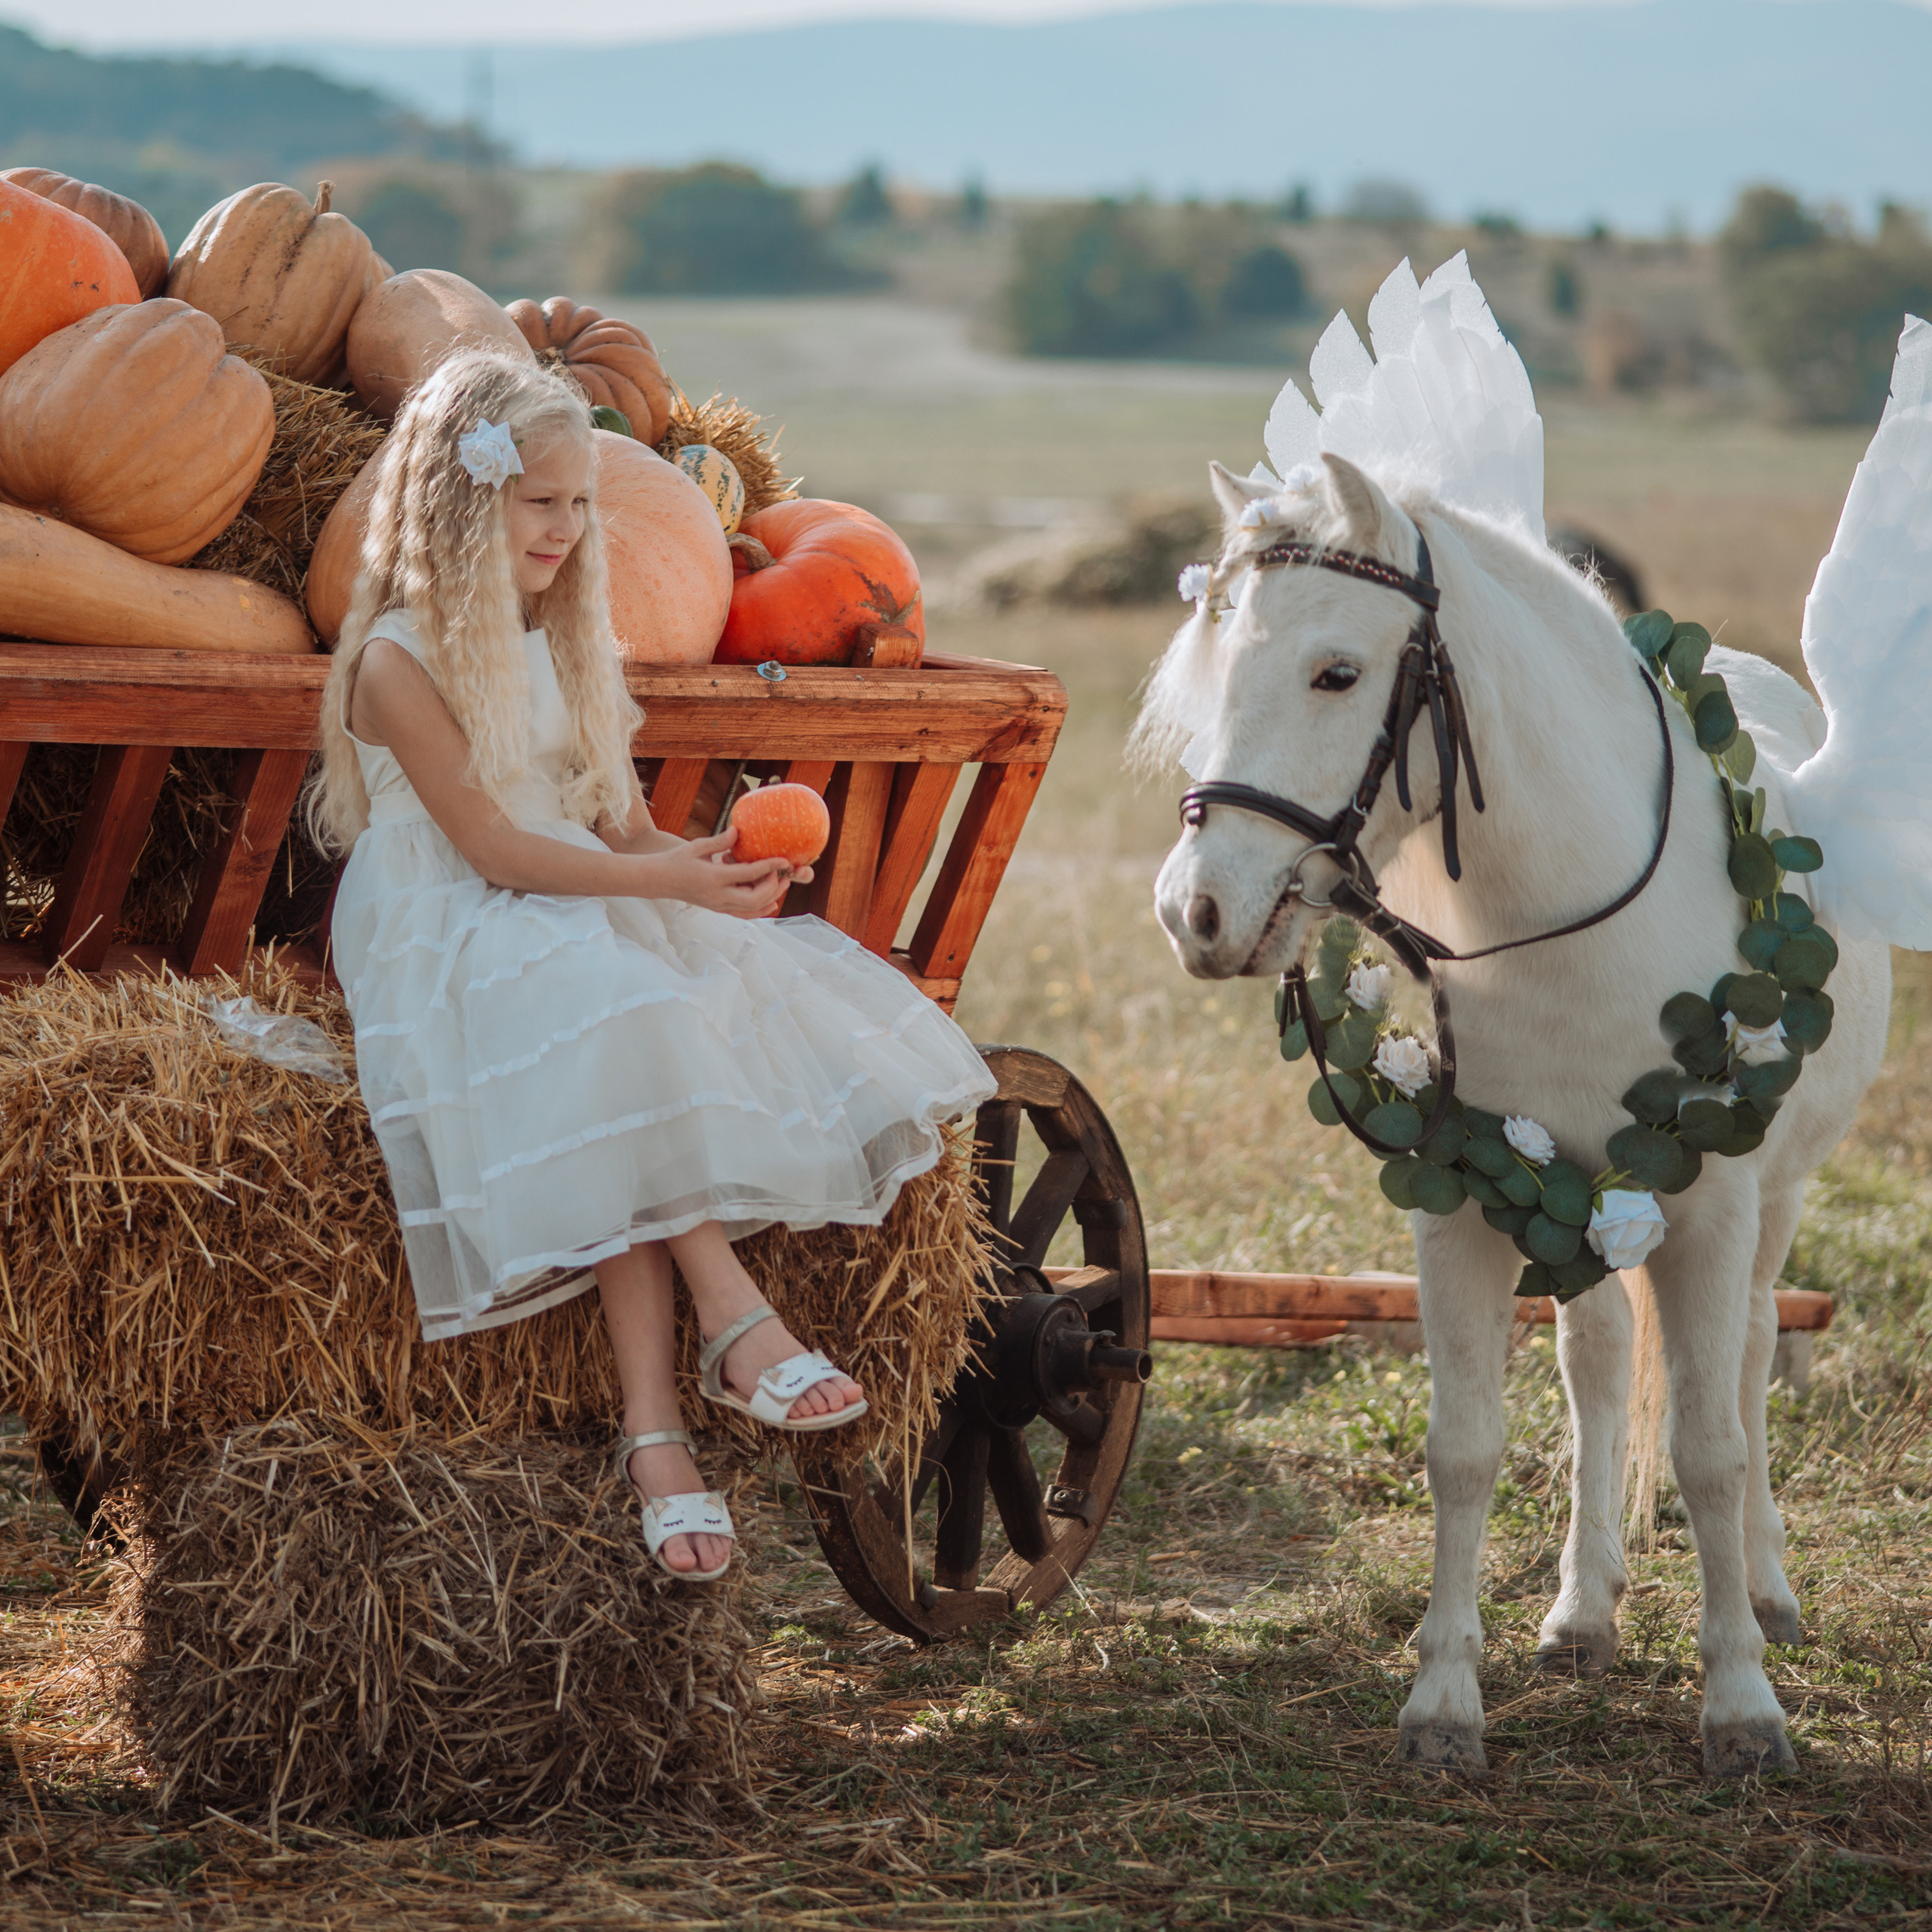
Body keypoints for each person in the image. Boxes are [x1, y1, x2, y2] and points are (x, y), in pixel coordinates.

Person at [308, 350, 995, 1583]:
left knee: (643, 1017)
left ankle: (655, 1440)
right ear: (463, 503)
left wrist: (709, 866)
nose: (568, 533)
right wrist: (657, 885)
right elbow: (493, 846)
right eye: (542, 505)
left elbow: (612, 827)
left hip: (565, 899)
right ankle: (736, 1325)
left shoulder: (568, 639)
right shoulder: (396, 663)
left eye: (580, 506)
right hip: (446, 919)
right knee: (610, 1000)